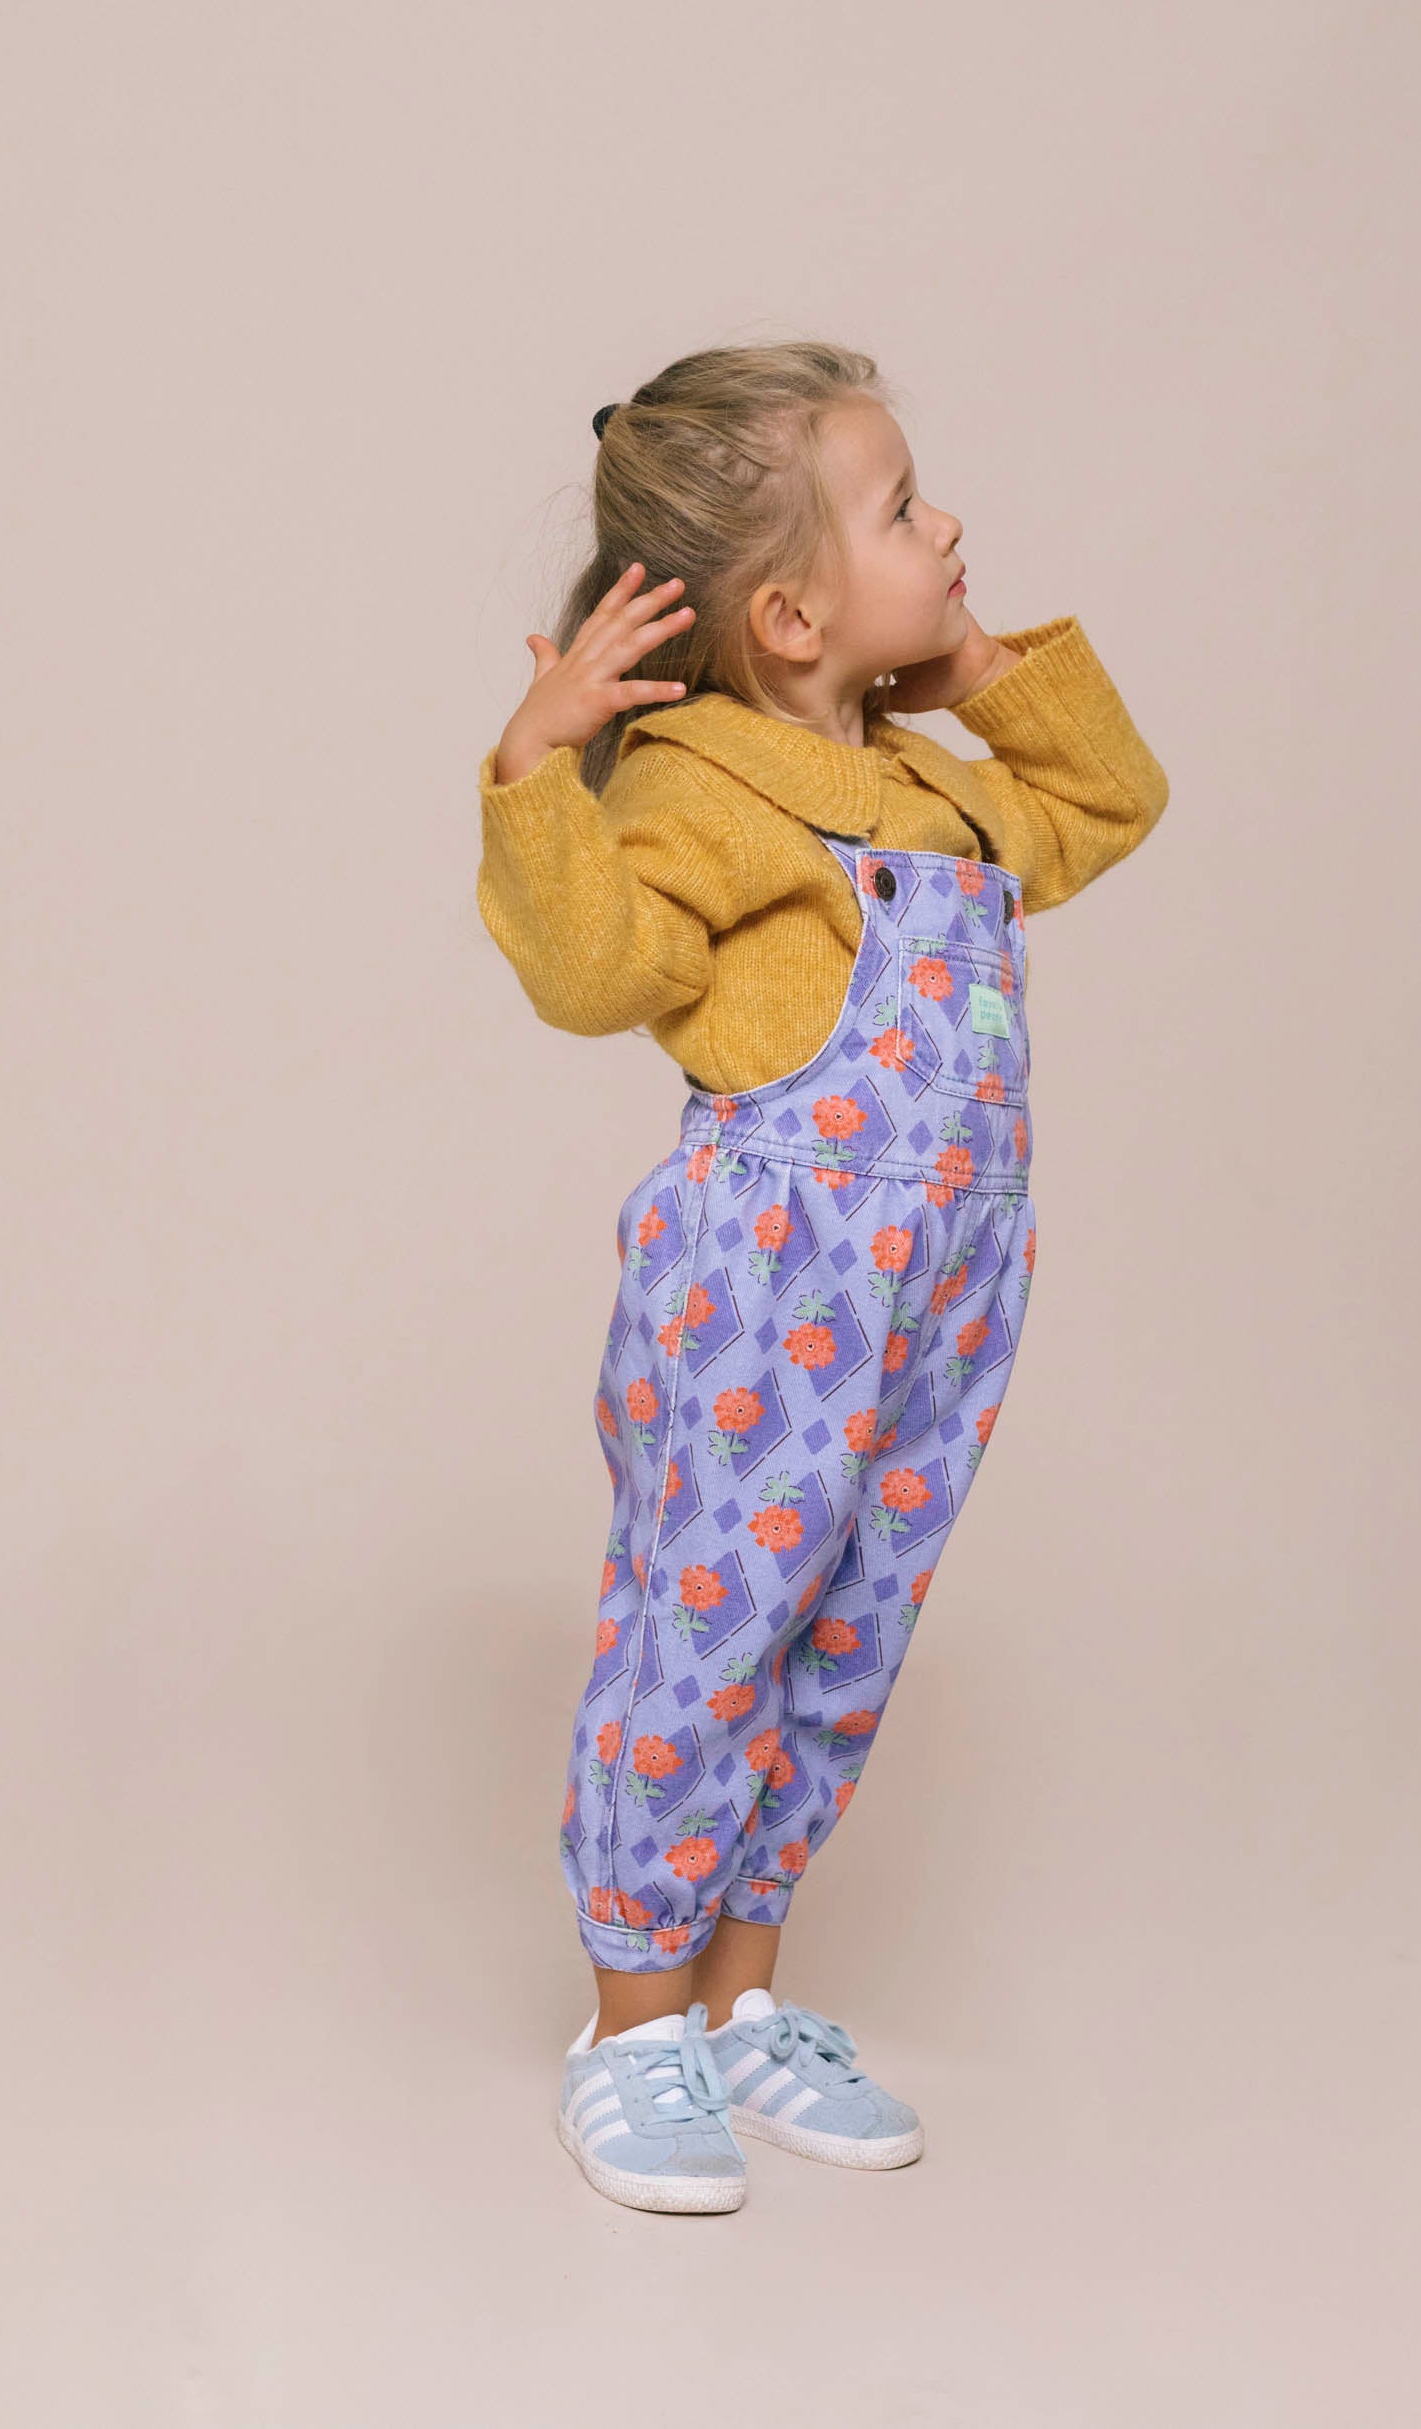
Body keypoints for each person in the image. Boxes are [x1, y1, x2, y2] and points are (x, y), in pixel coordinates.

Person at [474, 339, 1169, 2214]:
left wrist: (982, 663)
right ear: (788, 616)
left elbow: (1109, 803)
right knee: (710, 1628)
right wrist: (539, 773)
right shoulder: (701, 792)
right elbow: (596, 975)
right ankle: (632, 2024)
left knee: (846, 1637)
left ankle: (742, 2006)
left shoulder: (934, 794)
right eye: (904, 509)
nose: (948, 527)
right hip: (768, 1287)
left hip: (940, 1281)